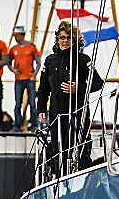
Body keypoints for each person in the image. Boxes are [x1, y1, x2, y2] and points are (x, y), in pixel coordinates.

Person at [36, 21, 104, 175]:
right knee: (57, 146)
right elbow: (43, 88)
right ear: (57, 39)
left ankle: (83, 174)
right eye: (61, 38)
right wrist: (40, 108)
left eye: (67, 38)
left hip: (78, 110)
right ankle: (58, 176)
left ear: (73, 40)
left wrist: (78, 88)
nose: (64, 41)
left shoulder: (83, 59)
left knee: (82, 146)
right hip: (56, 112)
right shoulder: (50, 60)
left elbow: (98, 83)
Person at [9, 25, 41, 131]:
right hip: (19, 79)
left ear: (21, 35)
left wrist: (34, 75)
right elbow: (8, 62)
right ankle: (18, 124)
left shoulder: (32, 47)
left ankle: (34, 124)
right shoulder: (14, 49)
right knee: (18, 103)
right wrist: (13, 70)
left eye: (16, 36)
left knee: (32, 102)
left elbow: (38, 62)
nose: (15, 38)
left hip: (29, 79)